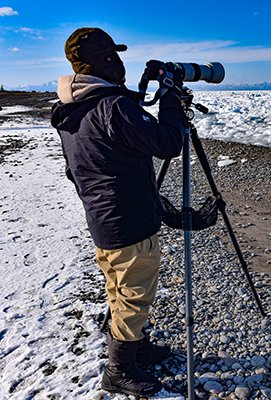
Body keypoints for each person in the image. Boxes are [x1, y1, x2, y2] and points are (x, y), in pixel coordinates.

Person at [51, 27, 185, 397]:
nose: (121, 63)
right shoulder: (112, 106)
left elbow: (121, 130)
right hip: (128, 219)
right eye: (113, 56)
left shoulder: (72, 106)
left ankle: (134, 346)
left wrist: (146, 90)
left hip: (102, 217)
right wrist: (171, 97)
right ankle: (120, 369)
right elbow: (168, 143)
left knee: (117, 285)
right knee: (134, 294)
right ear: (103, 61)